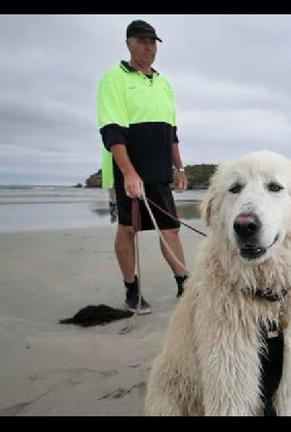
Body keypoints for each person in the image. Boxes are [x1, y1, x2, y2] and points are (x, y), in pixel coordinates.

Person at [97, 19, 189, 314]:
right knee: (127, 229)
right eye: (142, 41)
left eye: (152, 42)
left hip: (160, 172)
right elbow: (112, 130)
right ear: (128, 44)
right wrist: (129, 173)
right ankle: (131, 290)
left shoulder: (163, 83)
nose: (148, 47)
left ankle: (184, 287)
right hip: (129, 173)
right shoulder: (113, 79)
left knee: (171, 230)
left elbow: (171, 131)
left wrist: (180, 168)